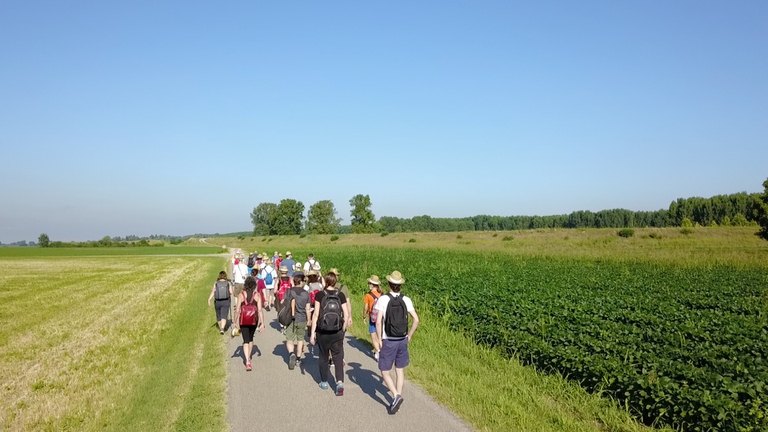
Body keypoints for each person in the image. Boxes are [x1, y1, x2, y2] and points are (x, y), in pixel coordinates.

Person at [375, 271, 420, 414]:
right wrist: (409, 335)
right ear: (400, 285)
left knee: (384, 370)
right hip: (402, 339)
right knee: (399, 370)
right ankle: (397, 399)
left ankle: (396, 396)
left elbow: (378, 321)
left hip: (388, 340)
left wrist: (379, 338)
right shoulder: (406, 299)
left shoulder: (383, 299)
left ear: (389, 284)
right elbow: (416, 320)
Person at [310, 272, 348, 395]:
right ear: (335, 282)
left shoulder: (320, 295)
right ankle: (340, 383)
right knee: (338, 357)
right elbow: (346, 315)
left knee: (323, 356)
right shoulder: (340, 295)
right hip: (337, 331)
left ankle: (324, 382)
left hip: (323, 331)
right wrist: (343, 329)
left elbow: (316, 314)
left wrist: (312, 333)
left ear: (325, 281)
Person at [234, 276, 265, 371]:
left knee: (245, 340)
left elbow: (238, 310)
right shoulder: (257, 295)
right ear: (254, 285)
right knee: (251, 338)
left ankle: (247, 361)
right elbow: (260, 310)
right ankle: (249, 357)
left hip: (243, 320)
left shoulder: (241, 295)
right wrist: (262, 323)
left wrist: (234, 321)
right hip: (253, 320)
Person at [285, 271, 311, 370]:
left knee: (290, 339)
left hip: (290, 319)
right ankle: (298, 359)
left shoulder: (288, 291)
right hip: (302, 318)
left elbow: (284, 302)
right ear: (300, 282)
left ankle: (291, 353)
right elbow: (308, 309)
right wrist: (309, 320)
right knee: (300, 339)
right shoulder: (305, 293)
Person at [363, 275, 383, 359]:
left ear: (371, 284)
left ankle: (378, 351)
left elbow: (365, 307)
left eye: (369, 283)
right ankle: (380, 350)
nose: (368, 284)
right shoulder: (382, 294)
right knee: (380, 335)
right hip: (381, 317)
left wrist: (364, 316)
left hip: (373, 317)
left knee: (373, 335)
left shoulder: (368, 295)